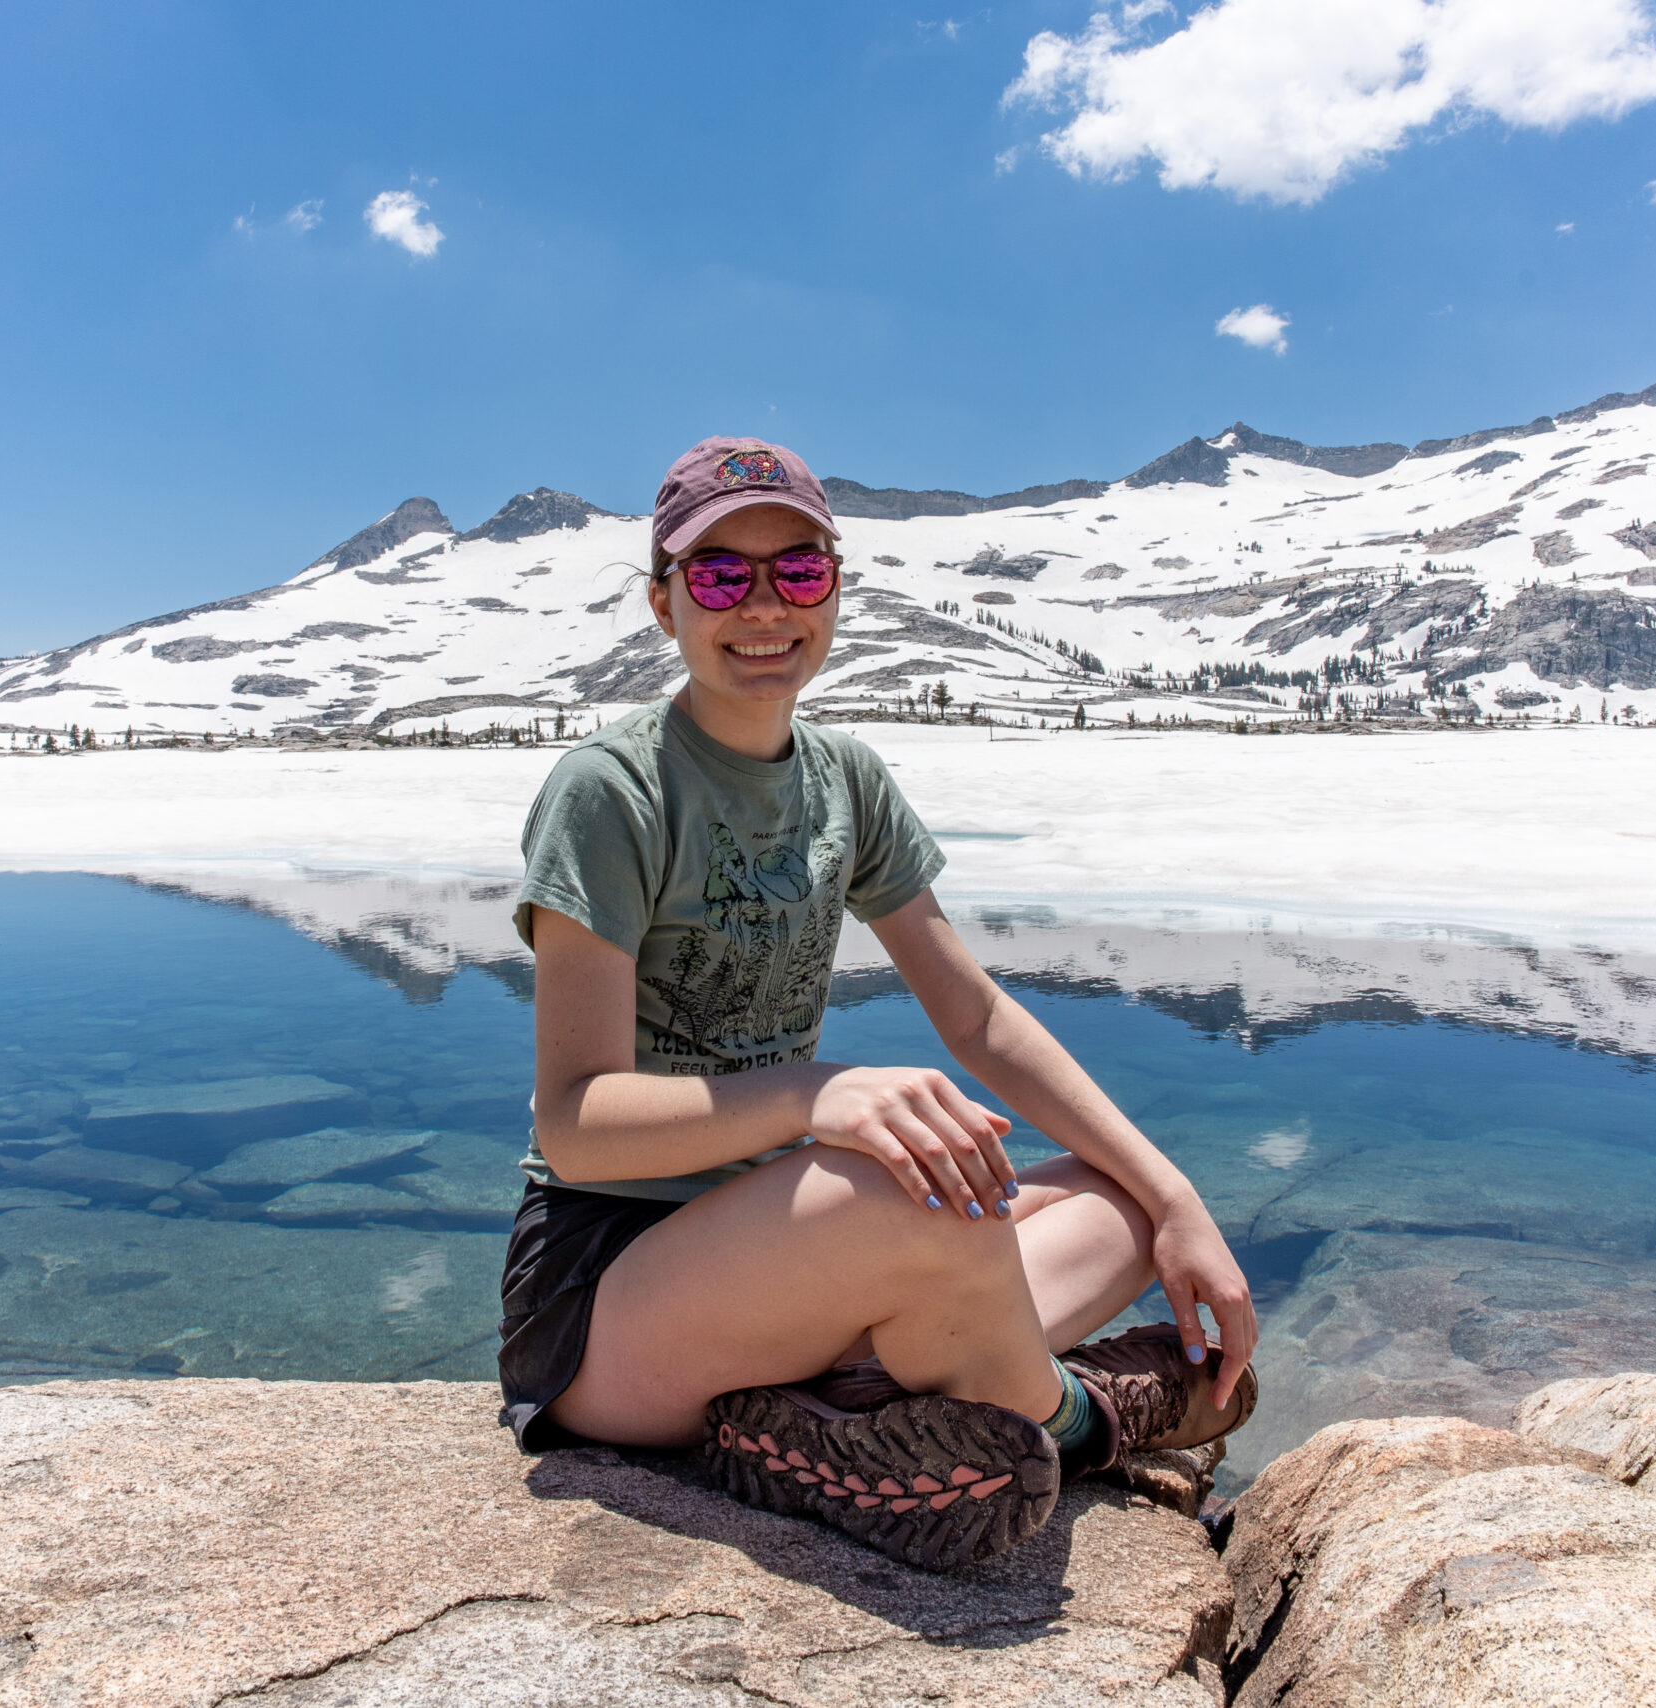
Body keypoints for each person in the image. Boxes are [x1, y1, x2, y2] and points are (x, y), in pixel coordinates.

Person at [496, 437, 1259, 1572]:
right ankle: (1086, 1417)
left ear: (835, 589)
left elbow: (979, 1017)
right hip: (605, 1299)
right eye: (720, 576)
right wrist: (820, 1090)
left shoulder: (843, 779)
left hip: (782, 1268)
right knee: (913, 1199)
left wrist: (1178, 1195)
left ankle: (838, 1416)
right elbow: (576, 1120)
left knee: (1118, 1203)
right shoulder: (613, 792)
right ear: (664, 604)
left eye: (797, 572)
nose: (763, 606)